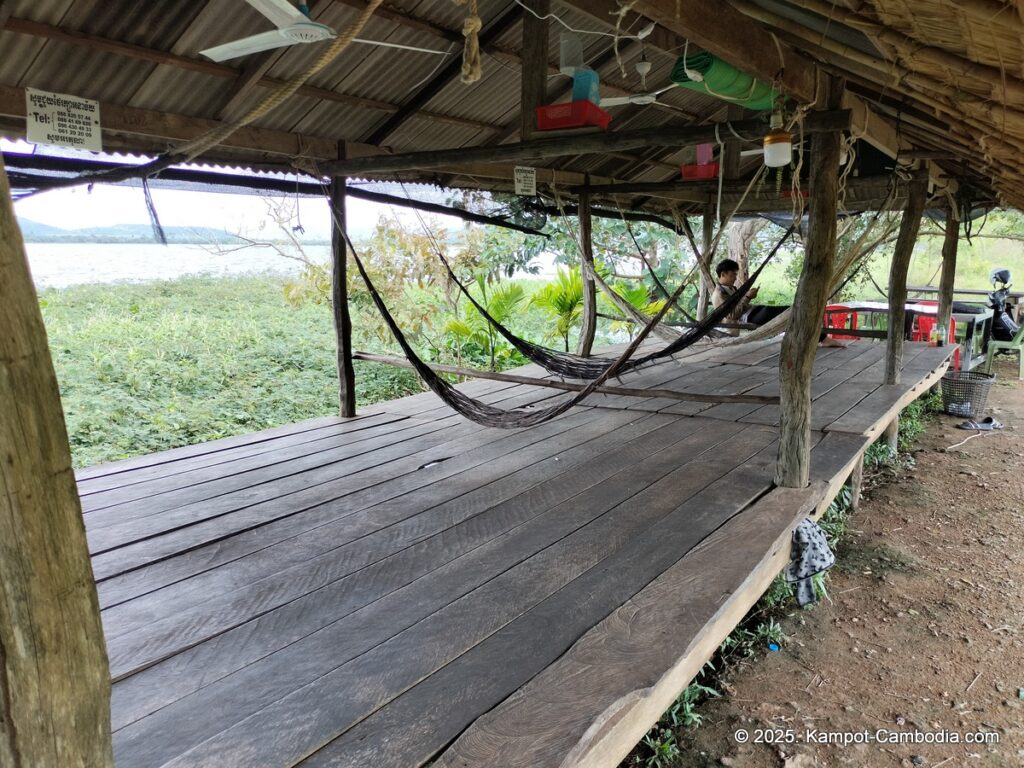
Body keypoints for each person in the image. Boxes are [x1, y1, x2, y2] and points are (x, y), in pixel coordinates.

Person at [711, 258, 846, 347]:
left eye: (735, 274)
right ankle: (822, 339)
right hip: (748, 317)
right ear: (723, 274)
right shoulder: (718, 294)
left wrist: (747, 296)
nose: (735, 277)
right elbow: (732, 316)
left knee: (792, 310)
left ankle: (817, 338)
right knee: (791, 312)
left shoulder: (731, 288)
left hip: (754, 311)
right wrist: (747, 297)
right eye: (732, 274)